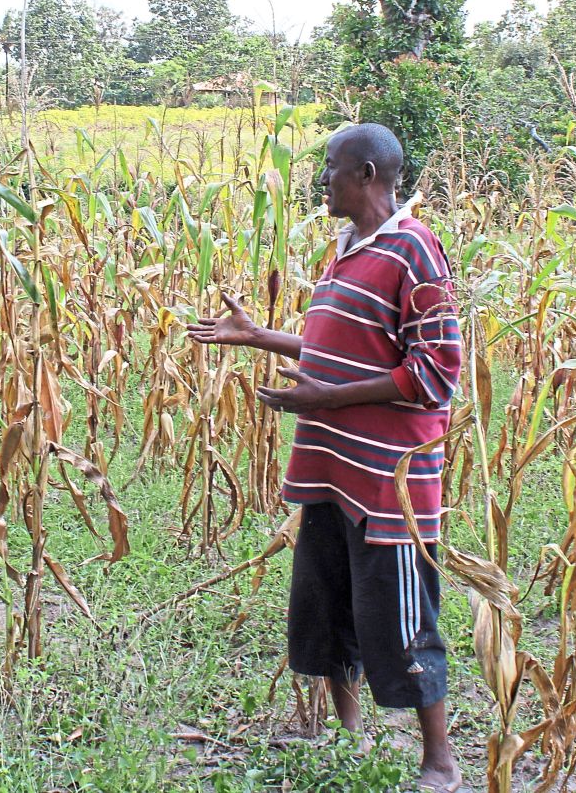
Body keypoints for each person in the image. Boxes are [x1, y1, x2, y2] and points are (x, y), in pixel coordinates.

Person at [187, 123, 463, 792]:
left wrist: (330, 400)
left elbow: (436, 374)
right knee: (329, 605)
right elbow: (338, 347)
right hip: (332, 472)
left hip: (387, 482)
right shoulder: (348, 250)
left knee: (400, 618)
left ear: (366, 174)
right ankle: (349, 738)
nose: (323, 181)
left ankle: (440, 762)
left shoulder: (415, 252)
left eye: (332, 169)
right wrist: (260, 338)